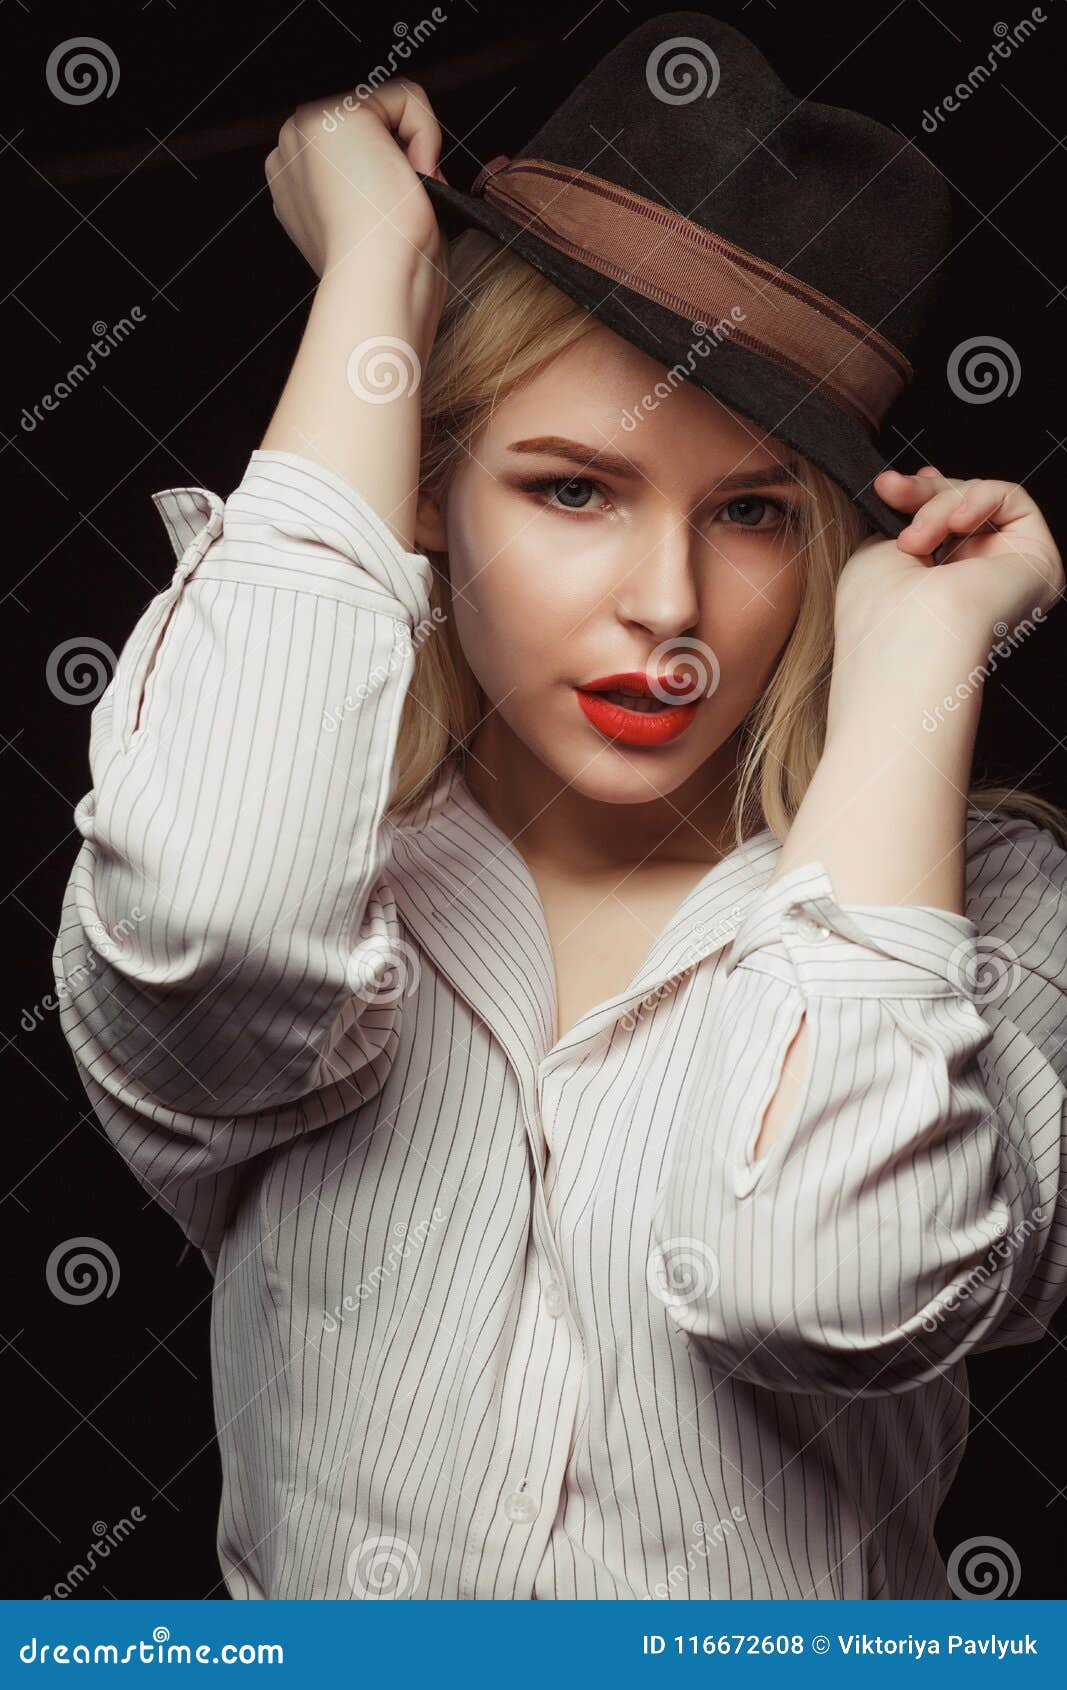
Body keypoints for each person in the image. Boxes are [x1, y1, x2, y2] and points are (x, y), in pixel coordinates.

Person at [53, 14, 1067, 1601]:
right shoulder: (326, 864)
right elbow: (209, 910)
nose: (667, 605)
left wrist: (914, 677)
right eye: (572, 488)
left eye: (750, 512)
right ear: (429, 484)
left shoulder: (987, 907)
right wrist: (375, 275)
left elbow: (829, 1282)